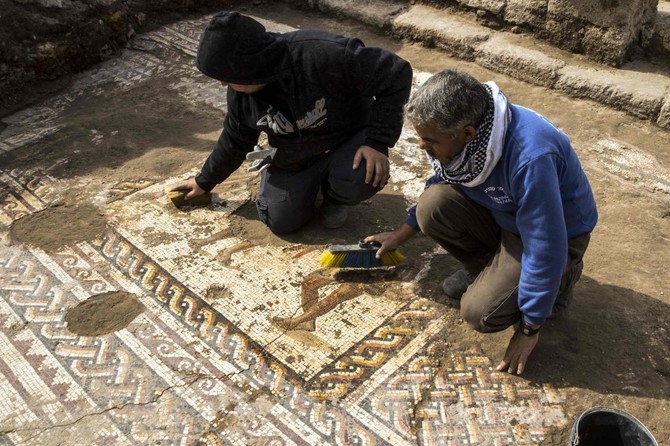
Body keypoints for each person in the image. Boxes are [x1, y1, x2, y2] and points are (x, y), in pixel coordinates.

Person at [365, 69, 598, 375]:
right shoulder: (471, 139)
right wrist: (401, 234)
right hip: (506, 217)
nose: (422, 146)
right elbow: (442, 178)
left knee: (479, 313)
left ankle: (563, 279)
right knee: (431, 206)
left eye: (430, 140)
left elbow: (545, 244)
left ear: (467, 133)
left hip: (558, 234)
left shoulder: (531, 157)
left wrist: (530, 327)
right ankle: (489, 270)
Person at [169, 11, 413, 234]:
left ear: (249, 68)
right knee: (280, 221)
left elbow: (396, 73)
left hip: (347, 139)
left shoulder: (323, 55)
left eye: (226, 77)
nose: (223, 84)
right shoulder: (241, 92)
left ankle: (335, 197)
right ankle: (304, 184)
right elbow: (236, 138)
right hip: (294, 155)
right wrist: (205, 181)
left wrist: (377, 142)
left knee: (362, 175)